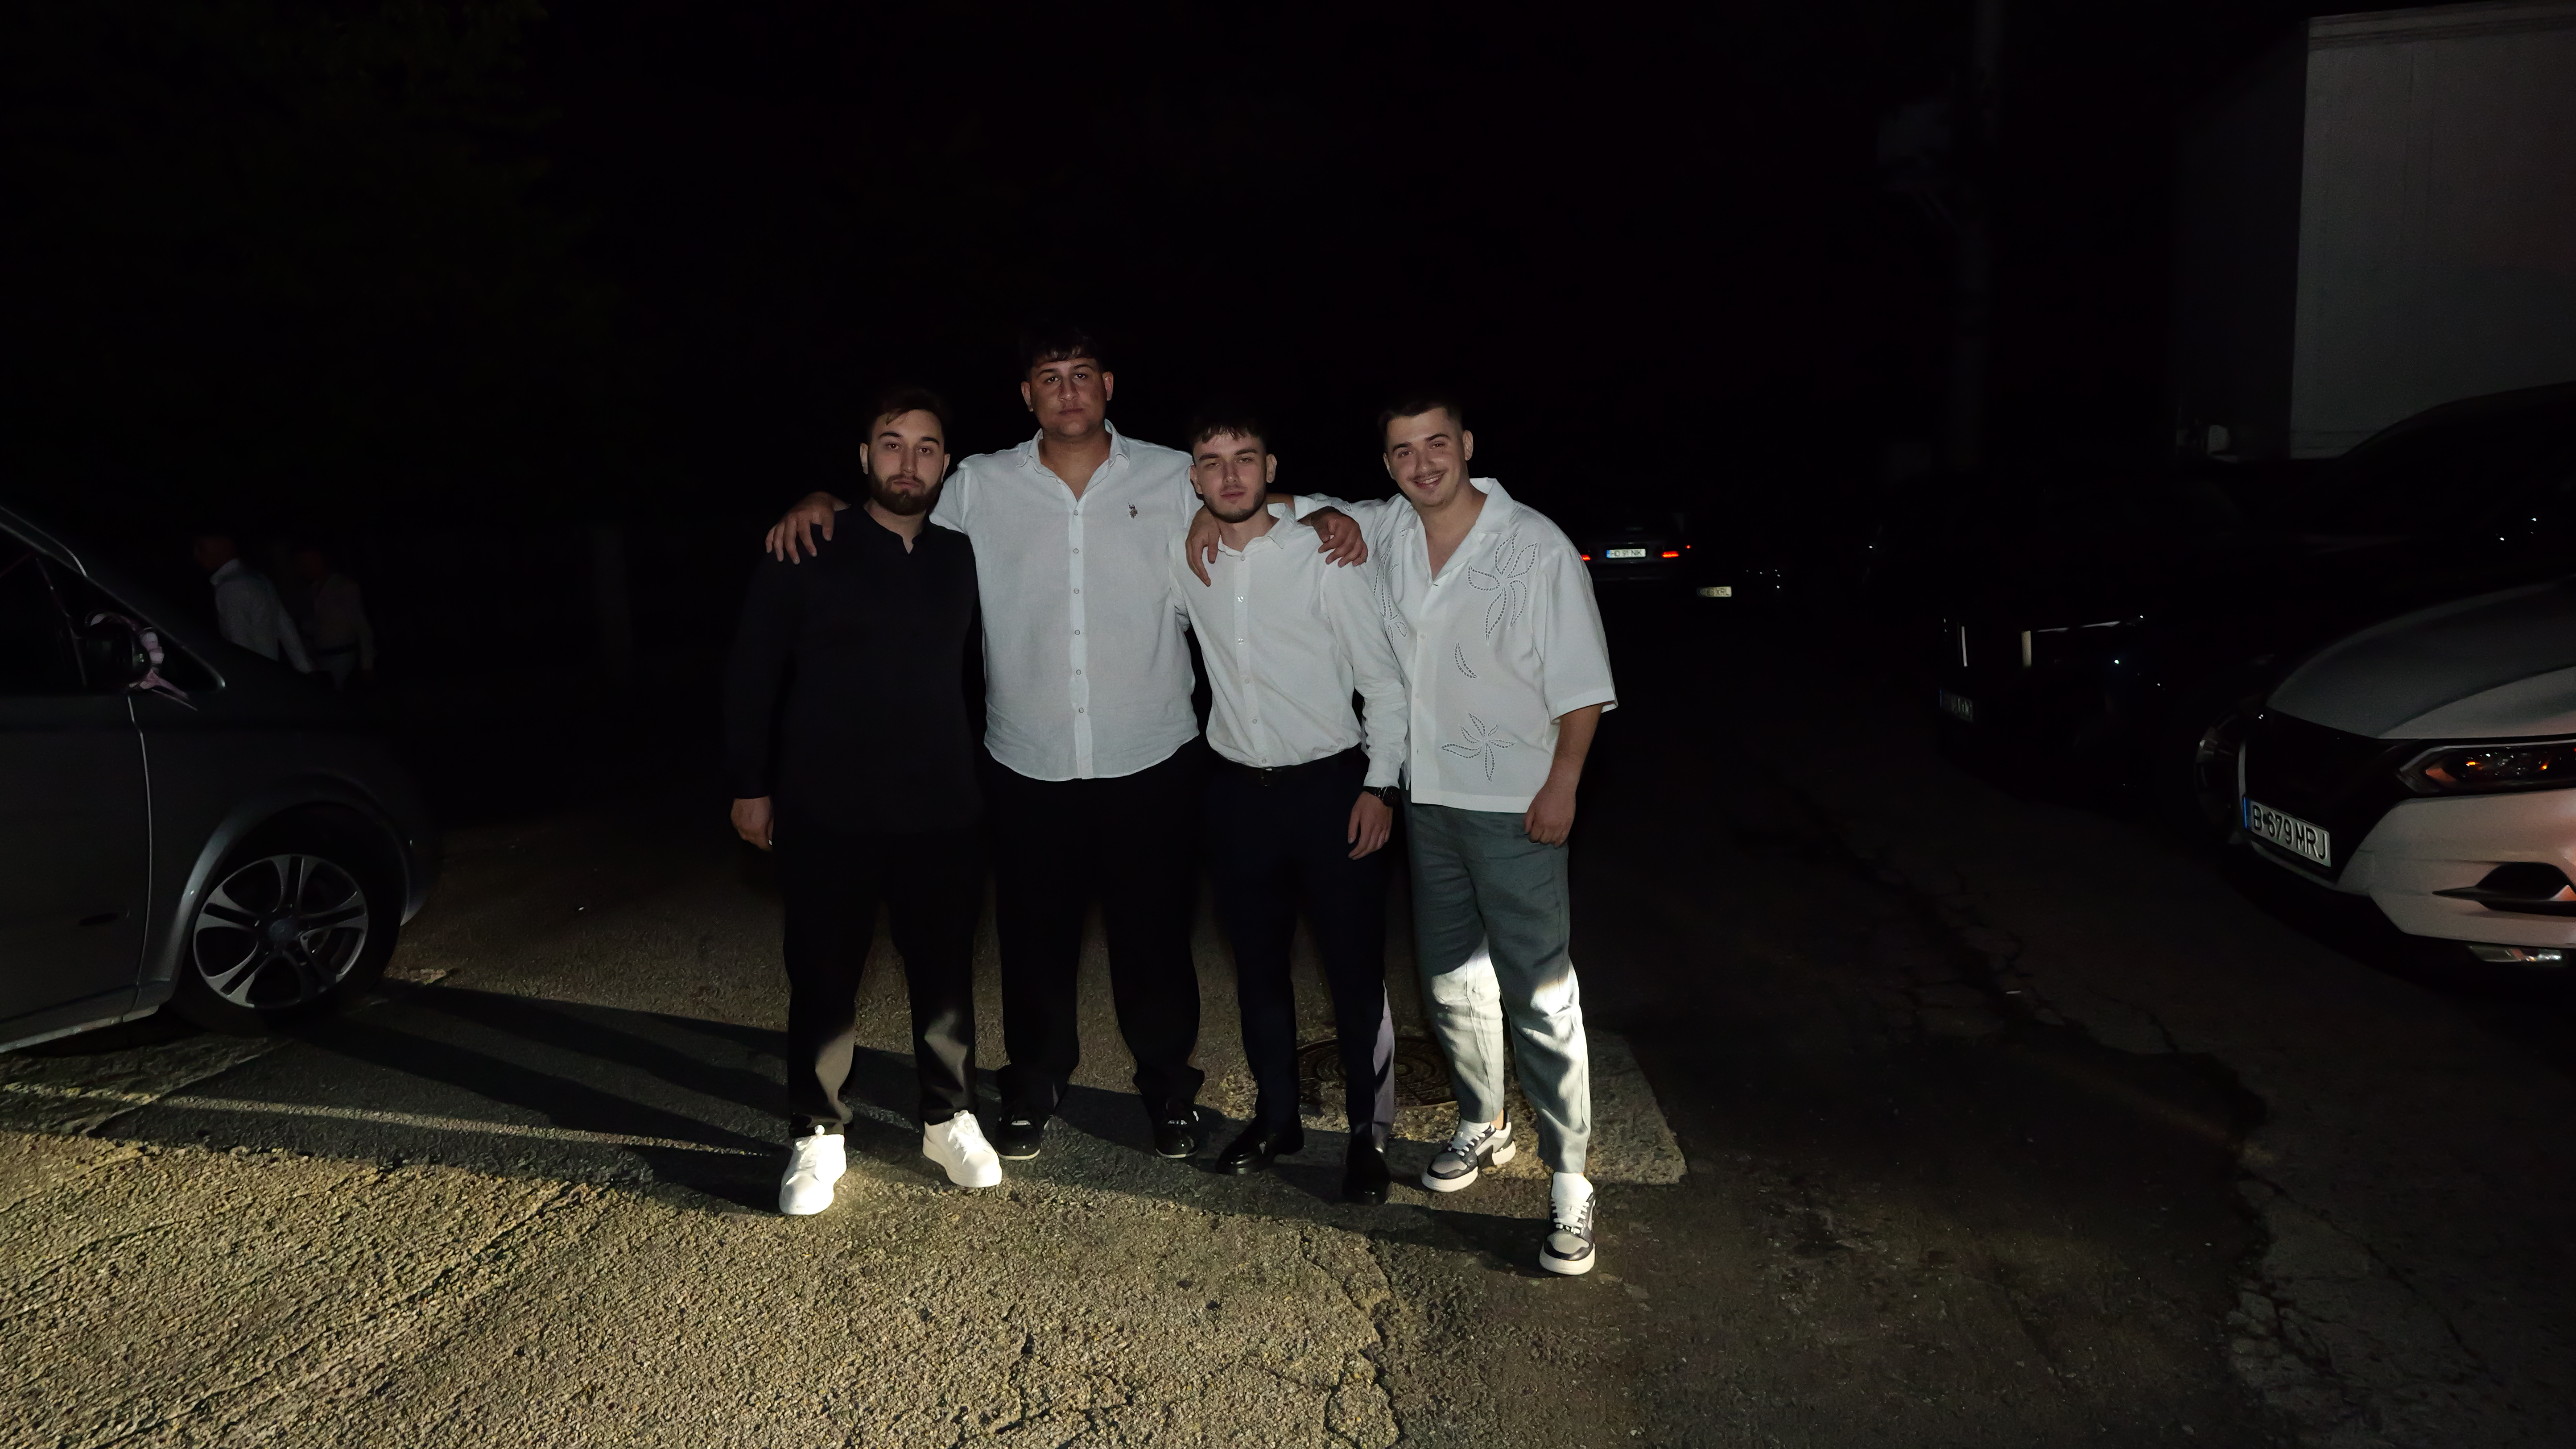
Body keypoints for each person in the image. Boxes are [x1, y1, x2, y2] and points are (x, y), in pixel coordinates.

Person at [763, 326, 1367, 1163]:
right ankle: (1034, 1083)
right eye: (1050, 377)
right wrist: (818, 499)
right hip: (1027, 758)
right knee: (1034, 941)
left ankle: (1167, 1086)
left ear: (1108, 385)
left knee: (1155, 939)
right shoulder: (980, 483)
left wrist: (1320, 510)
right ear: (1028, 395)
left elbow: (1249, 496)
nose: (1068, 390)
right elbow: (894, 502)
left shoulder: (1171, 475)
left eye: (1083, 374)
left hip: (1151, 753)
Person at [1203, 397, 1617, 1275]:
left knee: (1541, 992)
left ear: (1466, 444)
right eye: (1402, 451)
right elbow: (1283, 503)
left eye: (1436, 444)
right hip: (1429, 799)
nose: (1422, 463)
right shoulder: (1388, 527)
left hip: (1517, 800)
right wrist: (1241, 514)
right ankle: (1483, 1120)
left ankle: (1570, 1177)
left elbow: (1581, 680)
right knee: (1452, 985)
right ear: (1387, 463)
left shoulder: (1532, 544)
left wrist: (1564, 783)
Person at [725, 387, 999, 1215]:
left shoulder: (963, 557)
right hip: (825, 807)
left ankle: (947, 1116)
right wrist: (749, 785)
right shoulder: (808, 544)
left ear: (945, 465)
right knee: (823, 976)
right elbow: (752, 670)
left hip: (942, 806)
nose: (908, 461)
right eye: (891, 443)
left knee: (944, 974)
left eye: (926, 447)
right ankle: (817, 1131)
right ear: (864, 458)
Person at [1167, 410, 1408, 1204]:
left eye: (1245, 458)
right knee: (1259, 971)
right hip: (1238, 796)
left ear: (1271, 468)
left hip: (1332, 789)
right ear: (1194, 478)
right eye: (1212, 463)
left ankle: (1369, 1137)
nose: (1230, 475)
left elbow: (1383, 683)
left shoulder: (1325, 555)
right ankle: (1277, 1119)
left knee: (1354, 973)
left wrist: (1381, 785)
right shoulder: (1186, 558)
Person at [191, 532, 312, 672]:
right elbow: (285, 626)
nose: (196, 555)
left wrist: (247, 676)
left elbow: (240, 642)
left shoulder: (232, 586)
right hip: (269, 672)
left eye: (201, 547)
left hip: (254, 675)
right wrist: (306, 668)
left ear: (223, 545)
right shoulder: (259, 579)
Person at [293, 546, 375, 689]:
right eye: (303, 563)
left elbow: (362, 627)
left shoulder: (345, 587)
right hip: (321, 658)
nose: (305, 567)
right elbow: (320, 624)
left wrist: (367, 665)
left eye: (309, 562)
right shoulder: (313, 590)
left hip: (343, 657)